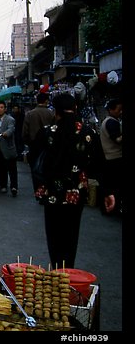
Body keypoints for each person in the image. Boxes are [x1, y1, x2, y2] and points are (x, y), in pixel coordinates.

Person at [34, 93, 115, 269]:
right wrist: (107, 192)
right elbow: (99, 165)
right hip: (76, 196)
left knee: (55, 239)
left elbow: (36, 162)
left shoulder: (47, 133)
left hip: (52, 195)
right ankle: (69, 273)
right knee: (71, 238)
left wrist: (39, 188)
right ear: (76, 108)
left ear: (55, 111)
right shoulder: (88, 133)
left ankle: (56, 273)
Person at [22, 92, 55, 192]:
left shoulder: (30, 114)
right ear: (46, 101)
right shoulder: (51, 113)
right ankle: (48, 190)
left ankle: (38, 191)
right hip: (49, 146)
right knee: (48, 169)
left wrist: (28, 143)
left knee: (35, 170)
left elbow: (24, 133)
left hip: (34, 146)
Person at [0, 100, 18, 196]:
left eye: (2, 107)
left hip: (8, 147)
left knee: (12, 168)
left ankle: (14, 187)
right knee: (0, 168)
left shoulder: (10, 119)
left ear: (5, 109)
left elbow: (11, 129)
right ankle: (3, 185)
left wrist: (6, 133)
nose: (0, 109)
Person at [99, 97, 122, 215]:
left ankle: (110, 207)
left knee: (111, 185)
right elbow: (117, 139)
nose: (121, 112)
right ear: (111, 110)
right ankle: (114, 208)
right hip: (114, 157)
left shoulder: (107, 121)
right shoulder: (112, 122)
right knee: (115, 186)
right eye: (119, 110)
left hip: (109, 157)